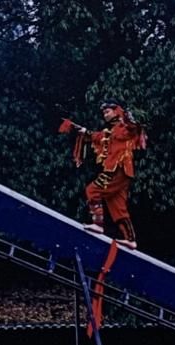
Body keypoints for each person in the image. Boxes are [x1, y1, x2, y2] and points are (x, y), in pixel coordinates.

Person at [61, 99, 146, 250]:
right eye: (104, 113)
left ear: (116, 111)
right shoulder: (111, 131)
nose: (105, 115)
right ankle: (130, 239)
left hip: (117, 169)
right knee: (117, 207)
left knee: (92, 190)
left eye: (107, 112)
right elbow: (97, 136)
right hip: (122, 172)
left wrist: (129, 119)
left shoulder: (123, 127)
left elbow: (133, 129)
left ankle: (98, 224)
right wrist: (82, 130)